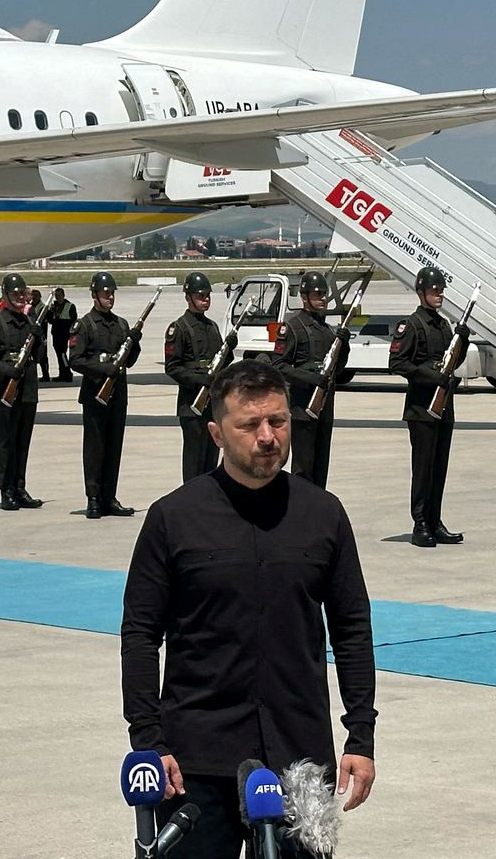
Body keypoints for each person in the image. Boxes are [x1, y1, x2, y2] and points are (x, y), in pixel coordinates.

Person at [121, 361, 376, 859]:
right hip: (195, 760)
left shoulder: (323, 513)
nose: (267, 436)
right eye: (249, 425)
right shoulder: (173, 518)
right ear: (217, 432)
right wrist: (148, 739)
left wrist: (360, 737)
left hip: (298, 759)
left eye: (278, 422)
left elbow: (351, 630)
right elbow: (139, 634)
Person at [388, 266, 468, 547]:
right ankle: (420, 523)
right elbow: (397, 363)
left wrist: (464, 341)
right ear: (421, 292)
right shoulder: (411, 325)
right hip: (422, 408)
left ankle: (435, 520)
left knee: (439, 466)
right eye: (434, 290)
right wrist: (432, 376)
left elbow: (451, 362)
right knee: (423, 468)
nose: (439, 295)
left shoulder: (443, 325)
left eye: (441, 290)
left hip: (444, 407)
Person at [68, 271, 141, 518]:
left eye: (112, 293)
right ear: (94, 295)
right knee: (95, 448)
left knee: (114, 447)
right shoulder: (85, 325)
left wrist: (135, 343)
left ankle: (110, 497)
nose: (109, 297)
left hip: (117, 395)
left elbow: (128, 362)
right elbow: (75, 360)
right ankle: (93, 497)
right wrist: (103, 369)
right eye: (105, 293)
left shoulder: (121, 324)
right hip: (94, 395)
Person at [0, 272, 48, 511]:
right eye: (15, 294)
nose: (20, 298)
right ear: (6, 295)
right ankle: (6, 490)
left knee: (23, 442)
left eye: (22, 294)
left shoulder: (29, 323)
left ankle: (19, 487)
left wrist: (39, 340)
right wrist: (6, 371)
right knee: (7, 442)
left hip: (27, 390)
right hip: (4, 392)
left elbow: (37, 358)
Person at [271, 270, 348, 488]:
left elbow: (338, 369)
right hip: (303, 408)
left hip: (325, 408)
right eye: (317, 294)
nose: (323, 298)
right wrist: (310, 379)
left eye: (324, 294)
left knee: (321, 467)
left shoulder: (327, 330)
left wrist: (344, 346)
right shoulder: (293, 328)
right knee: (303, 469)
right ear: (304, 297)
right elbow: (279, 366)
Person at [164, 271, 230, 482]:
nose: (206, 299)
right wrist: (199, 379)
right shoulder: (179, 328)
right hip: (192, 404)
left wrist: (229, 350)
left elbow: (220, 363)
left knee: (211, 458)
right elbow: (173, 367)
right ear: (189, 297)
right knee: (194, 460)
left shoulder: (212, 327)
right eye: (201, 296)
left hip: (212, 405)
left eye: (208, 295)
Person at [49, 286, 79, 382]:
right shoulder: (54, 307)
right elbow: (50, 320)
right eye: (56, 296)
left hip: (64, 334)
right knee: (59, 355)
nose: (58, 298)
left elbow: (74, 321)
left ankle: (67, 373)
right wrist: (50, 311)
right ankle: (62, 373)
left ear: (63, 295)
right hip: (56, 334)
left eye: (59, 295)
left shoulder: (70, 306)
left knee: (62, 354)